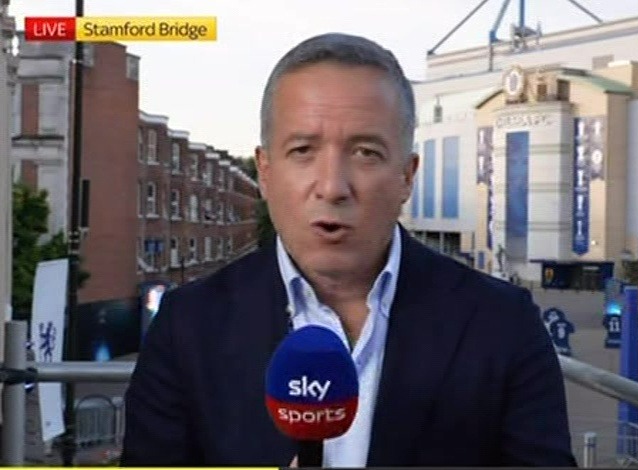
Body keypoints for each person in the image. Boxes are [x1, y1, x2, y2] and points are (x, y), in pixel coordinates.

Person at [120, 32, 576, 467]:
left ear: (407, 175)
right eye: (302, 150)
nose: (333, 186)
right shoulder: (187, 327)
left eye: (365, 153)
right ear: (264, 172)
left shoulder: (501, 322)